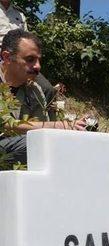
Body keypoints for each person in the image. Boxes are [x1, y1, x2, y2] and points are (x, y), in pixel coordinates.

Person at [0, 29, 87, 164]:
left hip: (14, 150)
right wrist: (60, 126)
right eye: (30, 60)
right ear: (6, 57)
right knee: (36, 144)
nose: (38, 66)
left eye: (39, 60)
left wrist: (74, 129)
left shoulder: (34, 89)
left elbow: (41, 127)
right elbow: (5, 124)